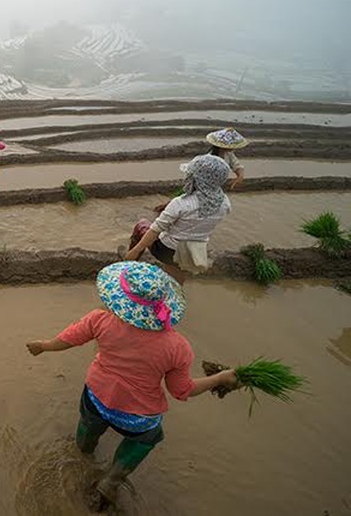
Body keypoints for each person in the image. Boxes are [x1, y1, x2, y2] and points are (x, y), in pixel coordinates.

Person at [25, 261, 238, 511]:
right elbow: (182, 391)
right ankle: (113, 478)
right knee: (144, 440)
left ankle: (83, 449)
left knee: (88, 425)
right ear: (166, 302)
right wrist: (220, 378)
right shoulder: (177, 347)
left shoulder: (100, 320)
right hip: (138, 417)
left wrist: (44, 345)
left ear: (119, 298)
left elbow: (70, 338)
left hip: (97, 398)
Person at [123, 154, 232, 284]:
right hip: (194, 252)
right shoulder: (225, 202)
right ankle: (176, 290)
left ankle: (128, 263)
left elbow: (155, 230)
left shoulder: (181, 203)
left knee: (142, 225)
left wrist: (137, 250)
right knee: (176, 272)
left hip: (167, 251)